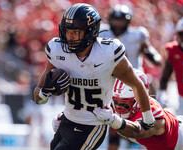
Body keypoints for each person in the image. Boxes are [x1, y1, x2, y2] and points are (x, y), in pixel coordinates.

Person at [33, 3, 155, 150]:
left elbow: (136, 84)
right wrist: (45, 92)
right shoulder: (57, 50)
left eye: (75, 32)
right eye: (67, 31)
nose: (69, 37)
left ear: (91, 31)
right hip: (67, 121)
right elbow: (38, 97)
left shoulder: (108, 52)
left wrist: (148, 119)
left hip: (93, 124)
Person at [99, 4, 162, 149]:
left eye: (121, 20)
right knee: (114, 125)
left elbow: (151, 53)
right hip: (112, 85)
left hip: (134, 85)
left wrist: (153, 56)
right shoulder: (102, 33)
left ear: (127, 21)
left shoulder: (137, 35)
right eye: (115, 20)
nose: (118, 24)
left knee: (140, 122)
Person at [93, 69, 183, 150]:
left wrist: (113, 120)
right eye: (116, 101)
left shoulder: (152, 111)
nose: (118, 107)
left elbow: (138, 132)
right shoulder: (111, 106)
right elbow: (114, 135)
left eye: (125, 103)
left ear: (138, 99)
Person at [158, 16, 183, 116]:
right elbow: (167, 73)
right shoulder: (172, 50)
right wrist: (162, 91)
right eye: (182, 34)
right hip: (182, 97)